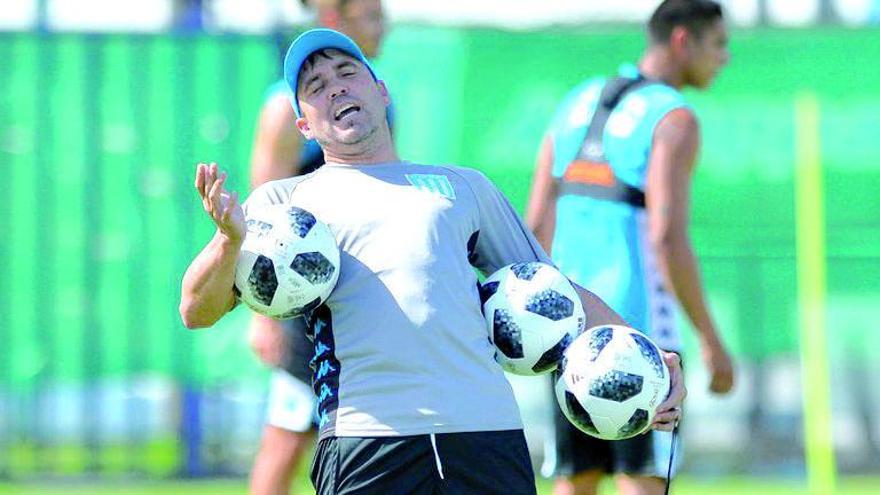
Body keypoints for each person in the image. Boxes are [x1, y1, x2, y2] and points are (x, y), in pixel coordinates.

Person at [180, 28, 686, 495]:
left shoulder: (462, 186)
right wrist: (229, 242)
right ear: (304, 125)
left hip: (486, 435)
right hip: (367, 439)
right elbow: (195, 310)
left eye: (347, 72)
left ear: (382, 92)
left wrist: (654, 358)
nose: (334, 87)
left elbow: (558, 295)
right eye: (315, 84)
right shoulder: (282, 208)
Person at [524, 1, 734, 494]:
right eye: (719, 43)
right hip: (641, 334)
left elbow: (535, 222)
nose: (725, 57)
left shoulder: (577, 100)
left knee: (574, 479)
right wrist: (710, 338)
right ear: (683, 40)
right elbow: (666, 236)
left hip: (570, 329)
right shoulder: (675, 117)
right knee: (642, 479)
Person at [245, 2, 386, 494]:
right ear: (334, 15)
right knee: (286, 437)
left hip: (355, 299)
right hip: (308, 307)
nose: (382, 25)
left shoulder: (373, 92)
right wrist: (264, 315)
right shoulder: (287, 107)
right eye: (370, 15)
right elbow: (262, 211)